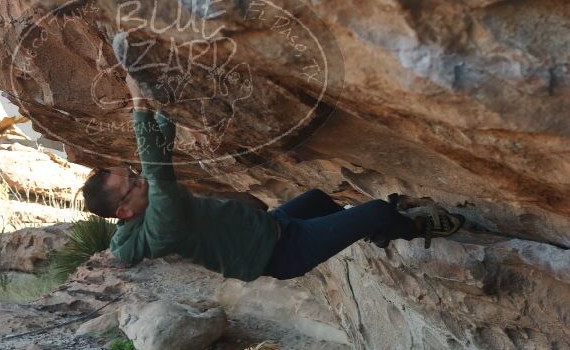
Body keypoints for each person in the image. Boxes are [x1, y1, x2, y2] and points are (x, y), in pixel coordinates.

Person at [81, 37, 464, 282]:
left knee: (317, 199)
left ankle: (368, 228)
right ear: (124, 210)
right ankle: (416, 228)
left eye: (133, 174)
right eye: (133, 183)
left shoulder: (145, 208)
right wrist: (138, 101)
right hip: (283, 253)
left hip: (273, 225)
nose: (141, 179)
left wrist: (164, 97)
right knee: (378, 211)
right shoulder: (162, 227)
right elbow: (158, 168)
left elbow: (159, 149)